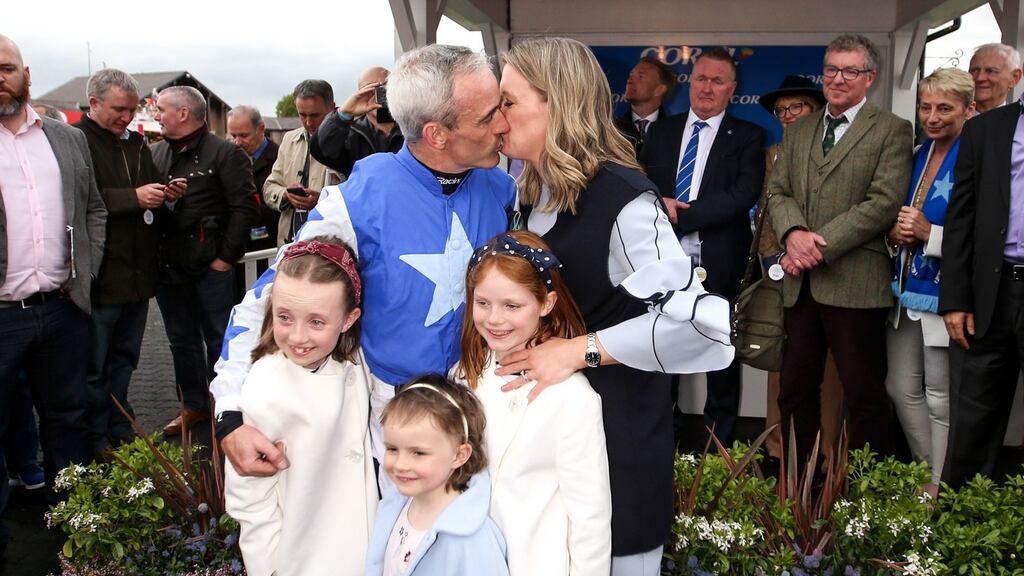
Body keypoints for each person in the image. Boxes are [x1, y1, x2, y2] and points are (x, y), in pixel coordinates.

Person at [213, 44, 514, 480]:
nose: (503, 125)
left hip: (485, 411)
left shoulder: (501, 188)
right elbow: (264, 299)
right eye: (488, 117)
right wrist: (230, 413)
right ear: (437, 135)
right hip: (390, 432)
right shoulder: (356, 202)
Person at [494, 37, 733, 575]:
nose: (497, 116)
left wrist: (578, 350)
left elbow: (701, 328)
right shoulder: (529, 194)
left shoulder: (625, 199)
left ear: (556, 100)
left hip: (616, 452)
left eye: (508, 101)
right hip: (550, 457)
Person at [767, 34, 913, 465]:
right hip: (800, 284)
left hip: (855, 281)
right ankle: (802, 486)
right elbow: (778, 191)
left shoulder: (891, 129)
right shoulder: (802, 129)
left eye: (850, 71)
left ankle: (870, 498)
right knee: (794, 391)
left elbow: (883, 203)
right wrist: (793, 232)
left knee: (864, 394)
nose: (838, 78)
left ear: (870, 77)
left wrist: (816, 245)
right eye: (831, 69)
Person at [0, 34, 106, 558]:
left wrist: (84, 274)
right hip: (2, 317)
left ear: (26, 74)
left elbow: (93, 210)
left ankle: (77, 531)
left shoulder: (67, 140)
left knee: (69, 421)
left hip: (63, 309)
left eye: (5, 67)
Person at [455, 231, 611, 575]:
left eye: (512, 305)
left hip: (532, 561)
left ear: (546, 303)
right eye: (483, 303)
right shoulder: (464, 374)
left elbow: (590, 516)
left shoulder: (572, 397)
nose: (494, 319)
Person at [225, 237, 377, 576]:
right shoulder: (261, 389)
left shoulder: (357, 363)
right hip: (303, 559)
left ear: (349, 319)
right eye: (284, 317)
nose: (297, 337)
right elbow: (250, 503)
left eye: (316, 322)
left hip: (366, 553)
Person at [642, 47, 766, 447]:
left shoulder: (749, 137)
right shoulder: (661, 131)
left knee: (720, 359)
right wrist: (657, 204)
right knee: (664, 352)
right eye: (700, 78)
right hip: (663, 260)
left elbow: (743, 194)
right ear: (689, 83)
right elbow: (640, 183)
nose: (706, 88)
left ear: (732, 89)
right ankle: (667, 445)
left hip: (720, 260)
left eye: (717, 81)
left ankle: (719, 450)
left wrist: (683, 215)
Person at [885, 68, 975, 494]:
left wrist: (929, 235)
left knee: (940, 398)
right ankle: (928, 479)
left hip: (946, 294)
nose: (933, 116)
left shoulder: (978, 156)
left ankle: (940, 490)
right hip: (904, 290)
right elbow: (901, 217)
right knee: (900, 388)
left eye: (945, 108)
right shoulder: (918, 152)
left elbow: (985, 232)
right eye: (926, 107)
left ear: (969, 109)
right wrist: (895, 233)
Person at [151, 85, 260, 437]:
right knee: (180, 341)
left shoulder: (225, 153)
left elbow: (245, 208)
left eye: (161, 109)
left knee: (220, 341)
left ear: (183, 113)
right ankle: (194, 406)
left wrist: (225, 259)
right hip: (169, 268)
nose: (156, 115)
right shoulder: (155, 154)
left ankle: (225, 408)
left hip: (210, 268)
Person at [939, 70, 1024, 489]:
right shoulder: (987, 129)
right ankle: (957, 529)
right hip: (992, 293)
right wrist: (955, 298)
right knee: (972, 422)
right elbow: (960, 218)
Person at [74, 68, 163, 459]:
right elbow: (78, 202)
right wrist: (134, 198)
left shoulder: (137, 144)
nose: (127, 117)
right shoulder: (76, 141)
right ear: (94, 104)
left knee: (125, 360)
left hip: (137, 275)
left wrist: (165, 191)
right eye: (119, 109)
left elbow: (148, 185)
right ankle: (93, 438)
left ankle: (118, 426)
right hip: (102, 276)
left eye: (132, 109)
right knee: (94, 366)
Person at [756, 75, 844, 465]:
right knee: (781, 357)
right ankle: (778, 447)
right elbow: (765, 216)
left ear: (817, 110)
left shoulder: (838, 151)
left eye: (798, 108)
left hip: (829, 267)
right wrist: (776, 261)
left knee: (829, 363)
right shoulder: (771, 154)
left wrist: (810, 252)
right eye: (782, 110)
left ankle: (826, 451)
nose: (788, 116)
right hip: (780, 269)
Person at [366, 375, 509, 576]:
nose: (400, 464)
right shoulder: (394, 505)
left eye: (418, 453)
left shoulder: (472, 539)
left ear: (459, 456)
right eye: (392, 449)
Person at [263, 80, 336, 246]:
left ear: (331, 108)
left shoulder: (348, 141)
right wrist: (285, 195)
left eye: (315, 115)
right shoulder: (288, 139)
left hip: (327, 245)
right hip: (289, 245)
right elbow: (269, 187)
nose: (309, 122)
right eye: (302, 115)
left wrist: (321, 202)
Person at [310, 66, 404, 177]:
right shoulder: (351, 135)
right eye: (370, 89)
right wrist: (343, 114)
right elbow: (320, 151)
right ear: (360, 94)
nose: (378, 95)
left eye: (385, 87)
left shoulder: (413, 128)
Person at [227, 105, 280, 252]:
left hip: (268, 247)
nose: (237, 142)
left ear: (261, 129)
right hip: (236, 248)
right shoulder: (226, 158)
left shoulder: (280, 159)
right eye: (233, 136)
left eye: (244, 135)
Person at [614, 57, 674, 154]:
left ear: (660, 89)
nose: (630, 81)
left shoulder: (675, 134)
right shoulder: (613, 130)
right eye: (630, 76)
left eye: (640, 77)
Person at [968, 43, 1022, 115]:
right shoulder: (953, 121)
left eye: (991, 71)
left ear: (1014, 77)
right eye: (974, 70)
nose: (979, 78)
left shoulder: (1019, 123)